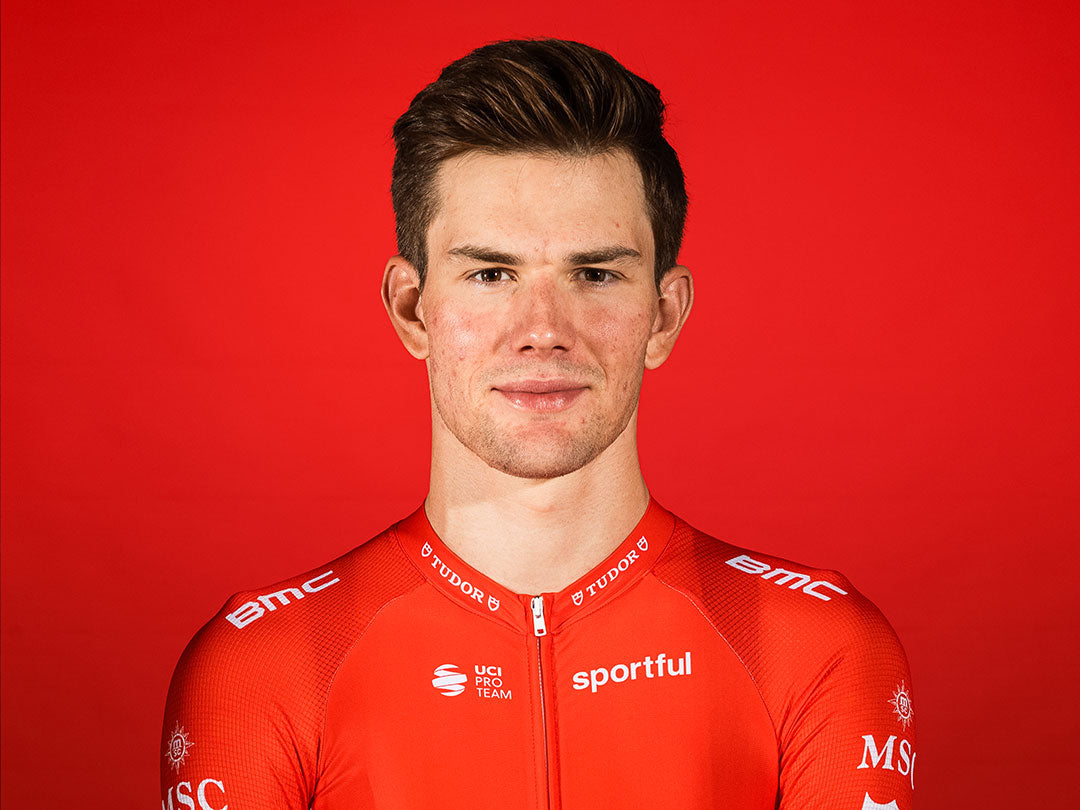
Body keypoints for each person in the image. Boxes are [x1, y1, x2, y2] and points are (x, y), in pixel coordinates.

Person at [160, 39, 916, 810]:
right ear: (412, 309)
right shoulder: (264, 666)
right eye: (491, 273)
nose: (544, 330)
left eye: (595, 274)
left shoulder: (813, 647)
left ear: (663, 315)